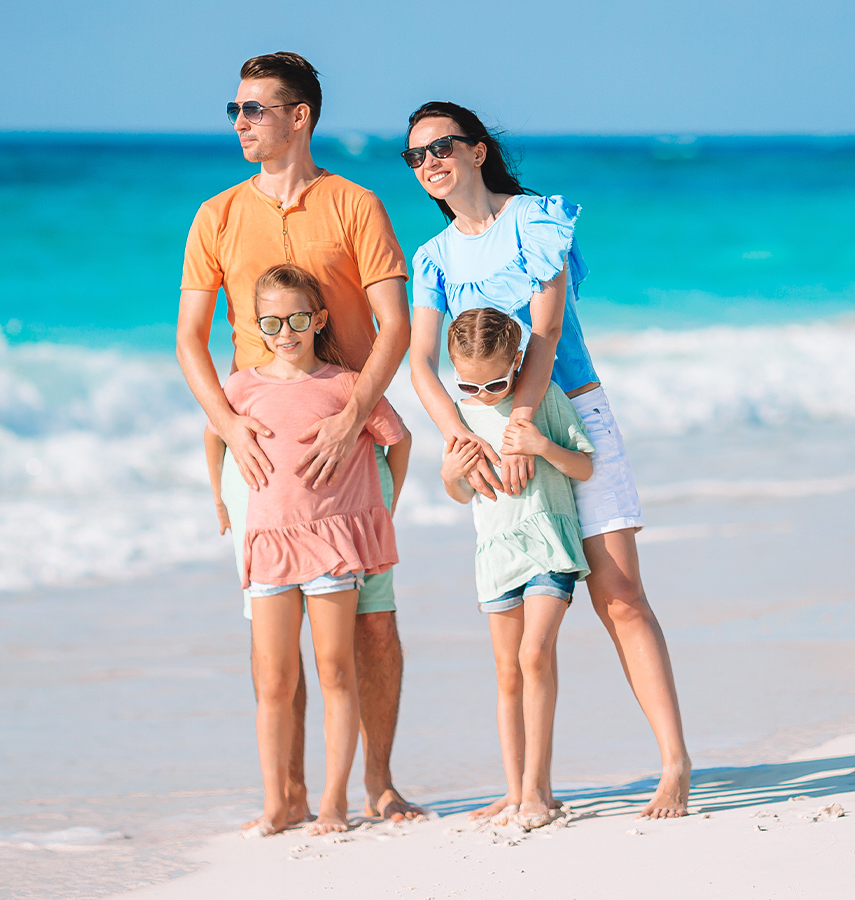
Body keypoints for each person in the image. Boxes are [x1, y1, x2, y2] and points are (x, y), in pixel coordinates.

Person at [404, 101, 693, 818]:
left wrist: (525, 421)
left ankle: (674, 764)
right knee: (522, 624)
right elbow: (418, 363)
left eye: (441, 147)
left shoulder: (534, 220)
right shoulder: (433, 257)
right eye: (415, 157)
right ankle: (531, 790)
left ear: (477, 151)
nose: (429, 164)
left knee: (619, 597)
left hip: (571, 418)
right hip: (494, 437)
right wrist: (460, 436)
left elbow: (547, 328)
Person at [177, 51, 421, 824]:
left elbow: (396, 325)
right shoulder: (215, 215)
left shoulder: (354, 204)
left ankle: (376, 785)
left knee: (371, 628)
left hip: (351, 443)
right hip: (259, 452)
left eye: (255, 109)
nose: (241, 122)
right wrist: (228, 427)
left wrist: (355, 418)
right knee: (272, 638)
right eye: (236, 110)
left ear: (299, 116)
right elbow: (189, 340)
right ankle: (283, 795)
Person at [208, 265, 410, 836]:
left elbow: (399, 441)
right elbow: (214, 433)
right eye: (271, 321)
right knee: (273, 679)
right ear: (257, 325)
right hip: (269, 546)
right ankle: (277, 802)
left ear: (318, 318)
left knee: (335, 672)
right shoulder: (241, 386)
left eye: (298, 318)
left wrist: (377, 509)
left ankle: (333, 803)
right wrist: (220, 502)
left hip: (330, 547)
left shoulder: (346, 386)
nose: (286, 331)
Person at [440, 308, 593, 829]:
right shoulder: (461, 416)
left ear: (519, 362)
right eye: (468, 384)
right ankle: (513, 790)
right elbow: (461, 494)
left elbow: (584, 465)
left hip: (549, 543)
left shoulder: (542, 400)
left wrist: (541, 445)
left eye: (496, 383)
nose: (484, 396)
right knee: (508, 673)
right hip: (497, 554)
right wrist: (451, 474)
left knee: (534, 653)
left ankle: (538, 790)